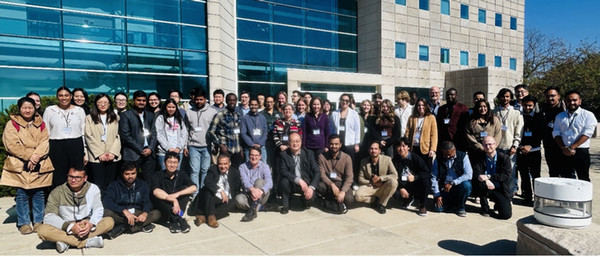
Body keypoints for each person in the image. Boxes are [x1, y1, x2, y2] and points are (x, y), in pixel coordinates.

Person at [0, 97, 53, 235]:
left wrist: (36, 157)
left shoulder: (41, 123)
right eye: (24, 107)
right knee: (22, 194)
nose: (27, 110)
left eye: (30, 107)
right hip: (19, 164)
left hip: (39, 163)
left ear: (35, 108)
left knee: (39, 194)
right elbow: (11, 144)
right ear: (19, 109)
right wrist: (29, 156)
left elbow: (45, 142)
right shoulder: (12, 124)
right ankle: (23, 223)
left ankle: (38, 221)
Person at [37, 167, 114, 253]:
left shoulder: (93, 188)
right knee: (42, 230)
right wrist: (70, 227)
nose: (73, 180)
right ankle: (86, 242)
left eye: (77, 177)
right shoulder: (57, 192)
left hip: (85, 224)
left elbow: (98, 210)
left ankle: (66, 242)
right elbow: (48, 216)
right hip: (65, 226)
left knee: (109, 221)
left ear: (85, 178)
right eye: (70, 177)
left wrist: (91, 224)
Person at [103, 162, 161, 239]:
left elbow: (147, 202)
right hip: (121, 214)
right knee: (105, 212)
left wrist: (145, 213)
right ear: (122, 174)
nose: (130, 176)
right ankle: (137, 227)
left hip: (137, 213)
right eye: (127, 174)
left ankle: (123, 227)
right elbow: (107, 202)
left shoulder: (142, 185)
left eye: (133, 173)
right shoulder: (114, 186)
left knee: (157, 213)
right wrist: (124, 211)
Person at [43, 86, 86, 188]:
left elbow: (83, 131)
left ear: (71, 96)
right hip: (56, 145)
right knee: (58, 175)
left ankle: (76, 198)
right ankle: (59, 200)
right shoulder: (50, 110)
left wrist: (85, 150)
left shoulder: (79, 110)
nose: (64, 98)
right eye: (61, 95)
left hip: (76, 144)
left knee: (76, 174)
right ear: (57, 97)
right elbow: (46, 131)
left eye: (66, 95)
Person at [552, 89, 597, 181]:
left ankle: (584, 195)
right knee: (566, 178)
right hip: (564, 151)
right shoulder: (560, 116)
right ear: (565, 102)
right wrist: (564, 148)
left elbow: (588, 133)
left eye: (574, 100)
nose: (572, 102)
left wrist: (572, 147)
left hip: (581, 151)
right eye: (569, 100)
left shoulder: (588, 115)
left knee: (583, 178)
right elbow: (556, 132)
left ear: (580, 101)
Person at [151, 152, 196, 233]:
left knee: (185, 192)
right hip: (164, 209)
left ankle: (175, 218)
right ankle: (178, 219)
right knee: (160, 197)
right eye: (169, 162)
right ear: (164, 163)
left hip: (177, 208)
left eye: (175, 162)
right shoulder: (158, 175)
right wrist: (173, 200)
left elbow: (194, 187)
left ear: (178, 163)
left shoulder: (182, 174)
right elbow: (155, 191)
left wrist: (177, 194)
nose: (172, 165)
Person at [119, 90, 157, 182]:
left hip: (149, 153)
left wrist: (150, 148)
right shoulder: (126, 115)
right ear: (134, 101)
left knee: (148, 181)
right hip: (133, 154)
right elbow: (125, 135)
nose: (141, 102)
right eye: (139, 100)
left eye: (144, 100)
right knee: (130, 180)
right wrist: (140, 149)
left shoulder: (150, 115)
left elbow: (154, 133)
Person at [85, 94, 121, 192]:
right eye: (100, 102)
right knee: (98, 183)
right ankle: (99, 204)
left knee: (111, 183)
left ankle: (109, 204)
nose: (103, 105)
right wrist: (99, 153)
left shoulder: (115, 117)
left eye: (105, 102)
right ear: (96, 104)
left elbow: (118, 136)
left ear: (109, 104)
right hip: (96, 157)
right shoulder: (89, 118)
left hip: (111, 156)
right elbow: (88, 136)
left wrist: (113, 153)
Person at [193, 155, 241, 228]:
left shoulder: (235, 172)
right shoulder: (213, 169)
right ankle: (211, 217)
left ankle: (205, 217)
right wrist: (221, 191)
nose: (222, 166)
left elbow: (236, 189)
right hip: (212, 197)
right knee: (207, 191)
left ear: (229, 163)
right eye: (220, 164)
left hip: (224, 199)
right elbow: (207, 181)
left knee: (233, 203)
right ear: (217, 163)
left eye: (225, 164)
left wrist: (229, 197)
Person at [185, 89, 218, 191]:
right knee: (194, 171)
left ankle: (203, 192)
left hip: (207, 146)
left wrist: (214, 145)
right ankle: (194, 193)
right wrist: (185, 145)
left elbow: (216, 130)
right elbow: (186, 129)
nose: (199, 101)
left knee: (205, 170)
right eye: (197, 99)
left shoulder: (213, 112)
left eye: (201, 99)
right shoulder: (189, 112)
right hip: (193, 145)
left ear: (205, 99)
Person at [278, 132, 320, 214]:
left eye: (297, 141)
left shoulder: (309, 153)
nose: (295, 144)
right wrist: (299, 180)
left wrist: (311, 188)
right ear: (289, 143)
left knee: (310, 199)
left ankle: (304, 201)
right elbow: (283, 171)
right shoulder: (284, 154)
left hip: (306, 183)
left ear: (301, 142)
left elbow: (317, 172)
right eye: (292, 141)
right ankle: (286, 206)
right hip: (292, 182)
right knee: (283, 182)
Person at [472, 136, 513, 219]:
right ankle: (485, 207)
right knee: (480, 183)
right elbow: (477, 173)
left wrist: (488, 177)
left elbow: (505, 176)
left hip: (500, 187)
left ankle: (498, 204)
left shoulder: (504, 158)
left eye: (490, 144)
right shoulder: (478, 157)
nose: (488, 147)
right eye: (485, 145)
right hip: (485, 186)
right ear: (482, 146)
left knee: (506, 215)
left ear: (495, 145)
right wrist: (487, 181)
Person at [493, 88, 523, 196]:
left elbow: (518, 131)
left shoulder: (516, 113)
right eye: (503, 96)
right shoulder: (494, 112)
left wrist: (515, 145)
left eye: (507, 96)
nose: (505, 99)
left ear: (510, 98)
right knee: (496, 173)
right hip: (496, 148)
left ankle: (508, 195)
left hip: (510, 148)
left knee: (510, 173)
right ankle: (497, 195)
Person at [355, 141, 399, 214]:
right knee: (357, 196)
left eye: (376, 149)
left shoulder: (387, 159)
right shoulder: (364, 161)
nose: (373, 151)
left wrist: (380, 179)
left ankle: (382, 204)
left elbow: (395, 175)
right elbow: (360, 179)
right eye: (371, 149)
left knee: (393, 182)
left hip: (383, 186)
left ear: (379, 150)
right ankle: (374, 200)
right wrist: (372, 182)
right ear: (369, 150)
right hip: (371, 186)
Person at [431, 141, 473, 217]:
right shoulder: (438, 159)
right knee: (438, 209)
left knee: (466, 185)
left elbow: (468, 174)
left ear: (454, 150)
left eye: (449, 155)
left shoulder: (463, 156)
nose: (447, 157)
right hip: (444, 187)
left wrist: (452, 183)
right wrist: (437, 194)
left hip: (458, 185)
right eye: (445, 154)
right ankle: (450, 204)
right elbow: (434, 177)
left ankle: (461, 207)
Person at [517, 95, 545, 205]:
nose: (528, 108)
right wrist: (521, 146)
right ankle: (527, 197)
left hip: (534, 150)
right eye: (525, 105)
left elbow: (541, 133)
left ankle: (538, 198)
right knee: (524, 175)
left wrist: (530, 146)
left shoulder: (539, 116)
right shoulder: (519, 116)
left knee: (536, 176)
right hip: (521, 150)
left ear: (534, 105)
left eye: (530, 105)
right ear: (522, 104)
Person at [392, 137, 430, 216]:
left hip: (415, 183)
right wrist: (400, 187)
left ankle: (422, 205)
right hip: (403, 184)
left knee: (426, 181)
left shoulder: (416, 158)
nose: (401, 148)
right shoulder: (395, 160)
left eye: (403, 146)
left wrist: (415, 177)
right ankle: (408, 199)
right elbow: (392, 175)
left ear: (408, 147)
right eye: (399, 146)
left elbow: (426, 173)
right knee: (393, 188)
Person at [317, 134, 353, 214]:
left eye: (336, 144)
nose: (334, 146)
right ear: (328, 144)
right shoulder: (322, 157)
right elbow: (322, 174)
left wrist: (343, 191)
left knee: (349, 199)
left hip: (341, 183)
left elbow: (349, 177)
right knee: (318, 186)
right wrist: (332, 185)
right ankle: (332, 200)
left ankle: (332, 200)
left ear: (340, 145)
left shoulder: (347, 158)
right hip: (327, 183)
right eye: (331, 144)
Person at [236, 146, 273, 222]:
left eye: (256, 155)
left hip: (262, 195)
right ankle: (259, 207)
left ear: (260, 156)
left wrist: (261, 191)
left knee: (259, 181)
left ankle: (251, 211)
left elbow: (269, 182)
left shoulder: (265, 166)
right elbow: (244, 181)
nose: (254, 157)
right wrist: (252, 190)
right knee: (238, 199)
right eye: (252, 155)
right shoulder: (242, 167)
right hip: (248, 194)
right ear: (249, 155)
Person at [272, 103, 302, 195]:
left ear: (293, 111)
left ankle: (289, 191)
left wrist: (289, 147)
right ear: (282, 111)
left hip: (291, 151)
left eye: (289, 109)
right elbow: (275, 135)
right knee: (277, 171)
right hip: (279, 149)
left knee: (289, 171)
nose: (287, 111)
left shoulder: (297, 122)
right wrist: (280, 145)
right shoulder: (278, 122)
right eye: (285, 109)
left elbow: (300, 136)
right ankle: (277, 192)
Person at [207, 93, 243, 167]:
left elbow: (239, 134)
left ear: (236, 101)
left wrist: (241, 149)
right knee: (224, 171)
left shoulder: (238, 115)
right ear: (226, 101)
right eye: (230, 100)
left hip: (237, 150)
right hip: (226, 150)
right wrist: (220, 144)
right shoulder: (220, 115)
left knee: (235, 173)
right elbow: (211, 132)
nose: (232, 102)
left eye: (234, 100)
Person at [465, 100, 502, 166]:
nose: (483, 109)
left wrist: (491, 147)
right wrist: (480, 147)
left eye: (485, 106)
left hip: (491, 151)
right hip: (476, 151)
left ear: (488, 107)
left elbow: (498, 134)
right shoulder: (472, 121)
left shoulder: (494, 119)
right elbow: (469, 135)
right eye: (480, 107)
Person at [155, 98, 188, 170]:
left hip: (178, 151)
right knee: (164, 173)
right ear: (165, 107)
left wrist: (178, 147)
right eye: (169, 107)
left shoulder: (179, 119)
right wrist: (168, 147)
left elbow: (184, 134)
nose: (171, 109)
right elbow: (158, 134)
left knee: (176, 172)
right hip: (164, 152)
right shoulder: (160, 118)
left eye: (173, 107)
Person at [540, 86, 565, 177]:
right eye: (547, 96)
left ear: (558, 96)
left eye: (553, 95)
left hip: (564, 144)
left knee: (566, 172)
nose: (550, 98)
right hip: (549, 144)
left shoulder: (565, 109)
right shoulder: (542, 109)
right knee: (553, 171)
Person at [405, 98, 438, 167]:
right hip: (414, 148)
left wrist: (432, 149)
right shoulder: (412, 118)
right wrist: (406, 146)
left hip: (425, 149)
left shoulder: (431, 118)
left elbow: (434, 135)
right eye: (419, 105)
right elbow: (407, 132)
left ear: (426, 106)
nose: (421, 107)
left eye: (423, 105)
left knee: (426, 170)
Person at [329, 94, 361, 164]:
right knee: (337, 162)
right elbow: (331, 129)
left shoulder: (354, 114)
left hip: (349, 143)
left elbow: (357, 129)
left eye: (347, 101)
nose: (344, 102)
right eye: (343, 100)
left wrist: (356, 143)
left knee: (349, 162)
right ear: (340, 101)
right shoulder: (334, 114)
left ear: (349, 102)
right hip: (337, 143)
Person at [240, 98, 268, 162]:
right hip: (249, 147)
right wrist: (252, 144)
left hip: (261, 147)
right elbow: (243, 133)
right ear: (249, 105)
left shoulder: (262, 117)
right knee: (249, 167)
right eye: (252, 105)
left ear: (258, 105)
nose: (254, 106)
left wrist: (260, 144)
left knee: (263, 166)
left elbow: (265, 131)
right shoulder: (245, 118)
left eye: (255, 105)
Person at [259, 95, 281, 169]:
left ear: (274, 102)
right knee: (266, 161)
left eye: (271, 102)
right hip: (266, 141)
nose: (269, 104)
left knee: (276, 162)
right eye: (268, 102)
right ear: (265, 102)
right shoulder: (261, 114)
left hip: (276, 141)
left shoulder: (278, 114)